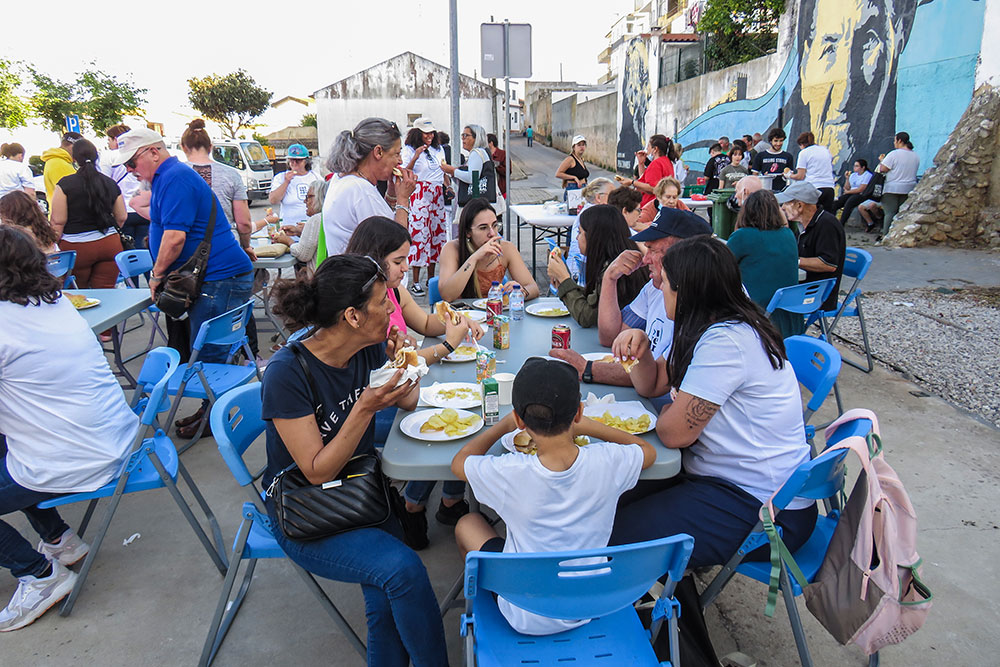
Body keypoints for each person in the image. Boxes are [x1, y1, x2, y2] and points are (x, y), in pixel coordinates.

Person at [261, 254, 448, 665]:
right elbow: (317, 471)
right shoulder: (287, 372)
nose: (391, 311)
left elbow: (410, 402)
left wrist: (402, 363)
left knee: (387, 598)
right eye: (383, 303)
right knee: (402, 571)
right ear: (352, 316)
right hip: (306, 511)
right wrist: (363, 408)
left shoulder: (367, 348)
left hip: (361, 490)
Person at [609, 235, 816, 568]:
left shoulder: (727, 343)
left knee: (611, 535)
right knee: (606, 501)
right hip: (730, 484)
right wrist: (642, 350)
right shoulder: (710, 325)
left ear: (687, 292)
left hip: (767, 510)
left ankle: (667, 596)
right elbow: (652, 385)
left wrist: (672, 411)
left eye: (666, 282)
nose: (659, 287)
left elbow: (673, 434)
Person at [452, 357, 655, 636]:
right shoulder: (607, 462)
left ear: (520, 419)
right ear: (578, 413)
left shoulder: (509, 471)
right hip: (589, 603)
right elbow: (647, 451)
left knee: (468, 523)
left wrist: (503, 426)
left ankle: (487, 600)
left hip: (525, 614)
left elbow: (459, 463)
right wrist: (587, 426)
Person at [0, 227, 139, 632]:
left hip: (78, 457)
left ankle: (40, 575)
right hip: (115, 440)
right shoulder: (54, 302)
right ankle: (60, 539)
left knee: (11, 452)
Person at [346, 216, 483, 548]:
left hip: (398, 390)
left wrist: (458, 320)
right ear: (374, 259)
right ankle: (415, 504)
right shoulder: (364, 304)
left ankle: (449, 499)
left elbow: (424, 323)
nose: (406, 268)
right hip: (371, 406)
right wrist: (448, 345)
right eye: (399, 261)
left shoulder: (392, 290)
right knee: (443, 422)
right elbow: (395, 368)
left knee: (456, 412)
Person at [115, 127, 255, 434]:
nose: (130, 170)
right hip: (219, 276)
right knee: (210, 351)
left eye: (132, 162)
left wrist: (157, 275)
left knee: (209, 354)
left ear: (154, 152)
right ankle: (211, 412)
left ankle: (214, 418)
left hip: (219, 278)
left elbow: (175, 237)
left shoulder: (174, 177)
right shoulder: (169, 177)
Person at [554, 208, 712, 388]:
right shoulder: (654, 288)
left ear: (682, 254)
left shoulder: (704, 306)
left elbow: (656, 378)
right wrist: (610, 278)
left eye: (652, 249)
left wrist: (587, 369)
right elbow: (611, 337)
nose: (645, 259)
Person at [322, 117, 416, 257]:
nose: (400, 161)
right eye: (396, 154)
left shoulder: (341, 178)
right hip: (361, 270)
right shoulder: (360, 190)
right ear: (378, 152)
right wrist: (403, 200)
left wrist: (392, 194)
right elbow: (397, 246)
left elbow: (381, 222)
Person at [48, 139, 126, 305]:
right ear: (96, 157)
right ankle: (107, 322)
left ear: (74, 158)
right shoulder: (110, 183)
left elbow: (58, 221)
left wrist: (53, 245)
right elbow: (121, 216)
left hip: (77, 246)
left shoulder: (65, 185)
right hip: (110, 243)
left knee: (79, 295)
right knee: (106, 293)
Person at [547, 204, 649, 328]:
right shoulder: (615, 261)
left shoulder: (617, 270)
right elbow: (592, 300)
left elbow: (587, 317)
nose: (577, 238)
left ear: (594, 237)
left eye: (580, 232)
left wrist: (564, 279)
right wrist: (562, 282)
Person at [726, 190, 803, 337]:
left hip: (756, 315)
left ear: (747, 211)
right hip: (789, 316)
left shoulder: (743, 236)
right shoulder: (788, 235)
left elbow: (720, 267)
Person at [437, 197, 539, 302]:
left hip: (494, 310)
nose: (492, 233)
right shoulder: (452, 249)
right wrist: (474, 258)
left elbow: (533, 288)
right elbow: (447, 295)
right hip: (462, 311)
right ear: (468, 232)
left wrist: (521, 291)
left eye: (495, 225)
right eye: (483, 228)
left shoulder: (506, 249)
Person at [775, 181, 845, 313]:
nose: (783, 208)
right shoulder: (803, 224)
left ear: (800, 205)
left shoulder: (827, 225)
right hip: (803, 288)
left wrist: (795, 261)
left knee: (766, 298)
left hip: (817, 296)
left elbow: (829, 264)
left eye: (786, 203)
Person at [400, 119, 448, 296]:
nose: (429, 136)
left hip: (437, 192)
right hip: (420, 191)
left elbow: (441, 170)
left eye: (431, 132)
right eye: (425, 133)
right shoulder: (409, 149)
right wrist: (416, 156)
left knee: (436, 235)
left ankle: (431, 278)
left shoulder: (438, 149)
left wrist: (448, 185)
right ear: (417, 133)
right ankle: (415, 281)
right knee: (420, 235)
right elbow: (404, 171)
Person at [439, 124, 494, 237]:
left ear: (476, 138)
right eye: (462, 135)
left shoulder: (476, 153)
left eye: (466, 136)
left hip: (474, 201)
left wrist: (453, 171)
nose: (463, 139)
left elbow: (472, 177)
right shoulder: (483, 152)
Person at [101, 124, 148, 250]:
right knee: (143, 249)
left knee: (126, 250)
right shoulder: (140, 153)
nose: (109, 143)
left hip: (121, 210)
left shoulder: (108, 156)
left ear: (116, 139)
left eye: (109, 140)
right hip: (143, 209)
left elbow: (104, 183)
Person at [271, 179, 328, 276]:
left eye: (308, 197)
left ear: (319, 198)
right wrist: (299, 232)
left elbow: (303, 254)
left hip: (318, 275)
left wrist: (288, 241)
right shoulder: (327, 216)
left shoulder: (316, 220)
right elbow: (318, 239)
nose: (305, 201)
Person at [566, 177, 615, 280]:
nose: (615, 199)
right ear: (598, 197)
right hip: (582, 272)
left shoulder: (589, 211)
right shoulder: (595, 216)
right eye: (612, 195)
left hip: (578, 267)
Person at [878, 131, 920, 237]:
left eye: (894, 140)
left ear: (899, 141)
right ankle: (899, 235)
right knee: (901, 214)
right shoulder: (915, 155)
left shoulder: (894, 154)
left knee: (890, 213)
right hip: (909, 188)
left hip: (892, 188)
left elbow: (883, 169)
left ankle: (886, 236)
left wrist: (882, 161)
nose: (894, 143)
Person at [618, 134, 676, 207]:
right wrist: (641, 163)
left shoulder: (656, 163)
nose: (647, 149)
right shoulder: (666, 161)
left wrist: (632, 182)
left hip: (650, 204)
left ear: (655, 149)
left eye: (648, 146)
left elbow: (652, 188)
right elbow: (645, 180)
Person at [269, 143, 318, 228]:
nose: (294, 163)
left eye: (298, 160)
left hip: (311, 226)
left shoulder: (316, 177)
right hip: (288, 227)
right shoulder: (280, 177)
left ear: (306, 161)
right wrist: (286, 182)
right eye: (291, 160)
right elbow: (273, 200)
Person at [787, 132, 836, 212]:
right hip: (829, 187)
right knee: (827, 215)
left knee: (810, 215)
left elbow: (800, 176)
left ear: (801, 144)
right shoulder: (825, 150)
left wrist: (789, 175)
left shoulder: (804, 153)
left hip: (814, 188)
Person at [41, 132, 81, 208]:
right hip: (67, 212)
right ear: (73, 147)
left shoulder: (56, 161)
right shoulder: (59, 164)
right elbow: (73, 193)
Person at [833, 159, 873, 227]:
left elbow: (861, 189)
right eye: (854, 166)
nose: (854, 167)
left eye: (857, 166)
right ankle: (832, 221)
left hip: (861, 194)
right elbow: (847, 187)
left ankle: (841, 224)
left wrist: (848, 192)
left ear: (863, 167)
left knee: (849, 203)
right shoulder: (853, 175)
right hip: (851, 193)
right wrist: (847, 179)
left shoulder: (867, 175)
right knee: (837, 202)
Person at [487, 133, 507, 198]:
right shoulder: (484, 154)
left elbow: (507, 171)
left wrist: (496, 166)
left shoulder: (503, 154)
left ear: (491, 143)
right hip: (488, 190)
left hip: (501, 189)